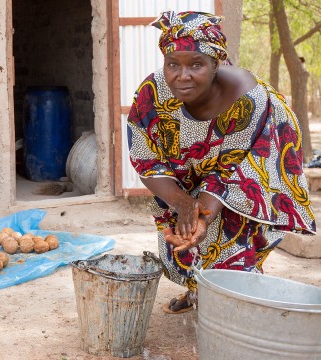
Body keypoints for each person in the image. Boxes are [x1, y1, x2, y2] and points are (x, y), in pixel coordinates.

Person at [127, 11, 316, 314]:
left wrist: (203, 214)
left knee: (233, 232)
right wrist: (182, 203)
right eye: (173, 64)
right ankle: (196, 289)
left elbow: (229, 170)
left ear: (216, 64)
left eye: (196, 64)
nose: (182, 75)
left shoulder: (246, 98)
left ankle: (235, 303)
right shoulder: (152, 93)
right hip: (190, 163)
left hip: (252, 161)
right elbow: (146, 158)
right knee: (180, 230)